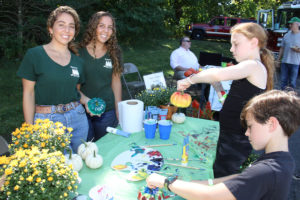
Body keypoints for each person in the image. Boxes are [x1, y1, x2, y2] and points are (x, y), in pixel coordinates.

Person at [147, 89, 300, 200]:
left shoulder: (267, 171)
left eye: (250, 126)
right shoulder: (281, 160)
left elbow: (210, 196)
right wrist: (206, 182)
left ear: (272, 124)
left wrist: (165, 182)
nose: (246, 133)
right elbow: (242, 178)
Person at [177, 22, 275, 178]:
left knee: (222, 177)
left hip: (236, 139)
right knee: (219, 171)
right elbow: (232, 102)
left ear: (253, 42)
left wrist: (189, 80)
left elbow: (217, 73)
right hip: (230, 134)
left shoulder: (253, 66)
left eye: (236, 44)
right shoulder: (248, 68)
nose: (231, 49)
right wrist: (217, 87)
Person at [17, 6, 88, 153]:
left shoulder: (78, 62)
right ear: (50, 29)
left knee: (81, 164)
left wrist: (88, 101)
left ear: (75, 32)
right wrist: (30, 130)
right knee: (59, 171)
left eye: (71, 26)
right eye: (61, 25)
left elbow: (75, 92)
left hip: (78, 118)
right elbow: (28, 94)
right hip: (47, 122)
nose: (66, 30)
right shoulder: (35, 55)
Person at [78, 11, 123, 142]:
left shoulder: (114, 52)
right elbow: (74, 87)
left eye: (110, 27)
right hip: (82, 112)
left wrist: (118, 108)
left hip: (107, 112)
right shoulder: (78, 52)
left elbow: (116, 82)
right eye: (101, 26)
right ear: (93, 27)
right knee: (87, 150)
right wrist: (87, 103)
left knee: (106, 149)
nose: (106, 30)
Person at [277, 17, 300, 90]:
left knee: (292, 82)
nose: (290, 25)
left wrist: (298, 50)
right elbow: (282, 48)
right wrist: (278, 60)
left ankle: (291, 97)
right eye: (289, 24)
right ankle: (283, 96)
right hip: (285, 62)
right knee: (283, 81)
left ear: (298, 24)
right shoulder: (286, 35)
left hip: (295, 62)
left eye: (292, 24)